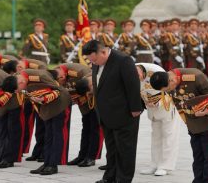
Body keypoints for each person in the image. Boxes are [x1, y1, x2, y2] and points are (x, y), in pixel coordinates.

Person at [82, 40, 142, 183]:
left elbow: (133, 84)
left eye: (95, 59)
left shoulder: (123, 61)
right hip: (105, 114)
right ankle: (110, 177)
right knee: (112, 149)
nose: (94, 63)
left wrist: (135, 108)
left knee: (125, 150)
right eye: (91, 61)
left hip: (124, 113)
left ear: (103, 52)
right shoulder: (97, 62)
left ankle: (123, 179)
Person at [150, 67, 208, 183]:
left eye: (168, 88)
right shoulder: (167, 83)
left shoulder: (195, 76)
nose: (168, 91)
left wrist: (207, 110)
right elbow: (177, 103)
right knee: (198, 156)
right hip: (193, 123)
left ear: (172, 81)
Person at [2, 69, 71, 175]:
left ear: (20, 83)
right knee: (48, 135)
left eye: (17, 90)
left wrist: (43, 99)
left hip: (60, 104)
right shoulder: (19, 78)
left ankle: (53, 165)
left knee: (56, 135)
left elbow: (58, 90)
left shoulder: (40, 76)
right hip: (47, 106)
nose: (17, 92)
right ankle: (47, 162)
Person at [136, 63, 181, 176]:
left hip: (166, 105)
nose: (138, 79)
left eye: (138, 76)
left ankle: (166, 166)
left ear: (140, 71)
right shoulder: (130, 70)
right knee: (155, 136)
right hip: (151, 107)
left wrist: (158, 101)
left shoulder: (156, 70)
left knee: (169, 135)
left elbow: (171, 87)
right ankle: (154, 164)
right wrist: (144, 102)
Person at [54, 63, 103, 167]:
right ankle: (82, 155)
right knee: (85, 129)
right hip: (82, 101)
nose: (61, 83)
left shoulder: (78, 71)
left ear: (62, 77)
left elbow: (91, 83)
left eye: (61, 81)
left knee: (95, 129)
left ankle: (91, 157)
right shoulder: (56, 72)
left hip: (92, 100)